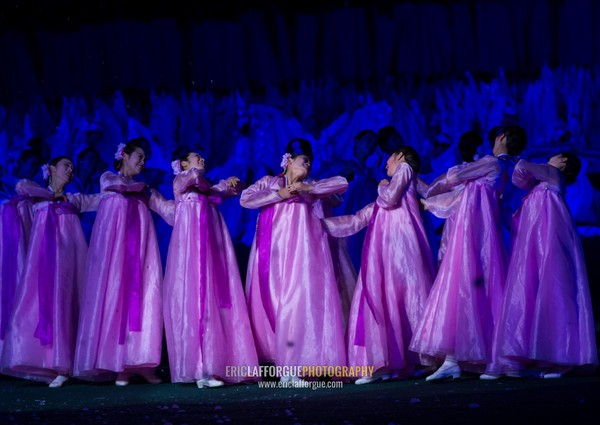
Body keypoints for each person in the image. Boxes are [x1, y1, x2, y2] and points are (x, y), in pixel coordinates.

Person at [409, 125, 527, 381]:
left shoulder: (491, 164)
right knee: (480, 292)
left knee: (463, 287)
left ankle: (472, 358)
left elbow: (455, 177)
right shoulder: (511, 169)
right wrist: (430, 200)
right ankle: (463, 358)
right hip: (492, 235)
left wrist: (422, 186)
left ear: (502, 138)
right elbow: (463, 194)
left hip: (477, 234)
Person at [322, 146, 435, 383]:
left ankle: (408, 360)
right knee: (386, 300)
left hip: (401, 251)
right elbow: (357, 219)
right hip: (386, 253)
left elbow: (389, 197)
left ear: (401, 156)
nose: (386, 163)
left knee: (403, 299)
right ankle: (391, 362)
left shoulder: (402, 172)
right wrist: (319, 226)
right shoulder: (395, 189)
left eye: (390, 157)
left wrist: (382, 185)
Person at [482, 152, 598, 379]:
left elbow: (526, 168)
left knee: (555, 293)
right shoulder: (539, 187)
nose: (549, 160)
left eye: (553, 157)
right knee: (530, 296)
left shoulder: (554, 175)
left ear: (563, 162)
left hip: (551, 242)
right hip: (533, 247)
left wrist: (515, 160)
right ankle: (528, 358)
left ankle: (561, 359)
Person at [240, 138, 348, 381]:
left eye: (310, 163)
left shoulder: (310, 188)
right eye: (304, 161)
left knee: (297, 305)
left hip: (302, 257)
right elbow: (245, 199)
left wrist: (308, 189)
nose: (308, 167)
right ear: (288, 161)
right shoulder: (270, 182)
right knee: (276, 305)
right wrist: (279, 194)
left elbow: (341, 185)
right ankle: (284, 365)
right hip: (274, 257)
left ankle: (295, 365)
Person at [74, 139, 173, 386]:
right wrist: (142, 189)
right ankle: (119, 364)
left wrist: (192, 203)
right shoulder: (109, 180)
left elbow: (166, 210)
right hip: (115, 258)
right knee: (116, 301)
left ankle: (143, 363)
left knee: (144, 301)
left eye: (144, 158)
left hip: (141, 254)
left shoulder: (143, 189)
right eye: (139, 156)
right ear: (124, 156)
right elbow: (116, 185)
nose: (143, 162)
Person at [1, 157, 99, 387]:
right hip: (43, 262)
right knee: (38, 307)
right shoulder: (35, 196)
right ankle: (47, 362)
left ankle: (66, 364)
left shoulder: (73, 199)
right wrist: (50, 196)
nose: (71, 169)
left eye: (72, 167)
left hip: (68, 263)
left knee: (66, 305)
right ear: (52, 169)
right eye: (66, 165)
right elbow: (19, 185)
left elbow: (98, 200)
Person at [164, 151, 259, 388]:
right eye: (196, 157)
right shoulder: (182, 181)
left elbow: (222, 190)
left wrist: (231, 184)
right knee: (195, 298)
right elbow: (195, 180)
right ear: (183, 163)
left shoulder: (206, 190)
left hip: (211, 247)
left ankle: (219, 364)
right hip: (191, 249)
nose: (202, 159)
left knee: (216, 300)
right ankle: (199, 369)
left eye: (202, 157)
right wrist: (211, 181)